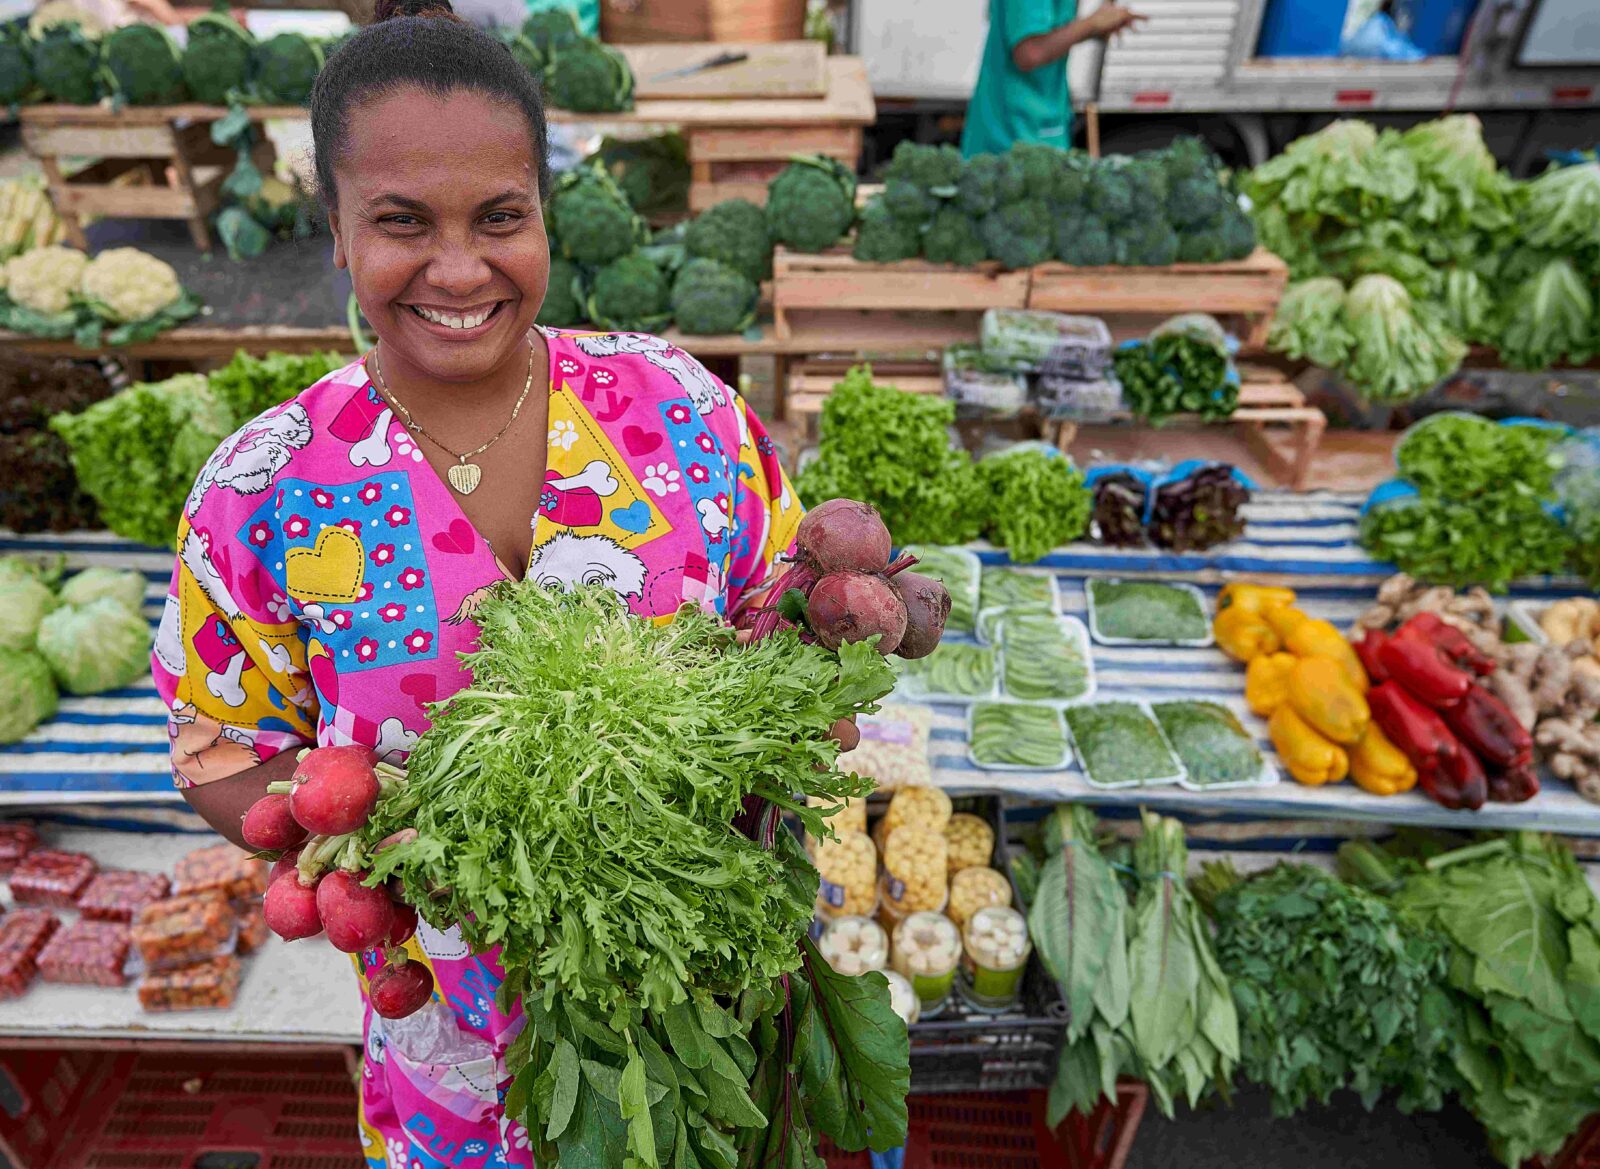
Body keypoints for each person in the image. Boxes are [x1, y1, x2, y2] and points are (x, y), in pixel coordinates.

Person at [152, 2, 810, 1163]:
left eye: (500, 217)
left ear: (543, 215)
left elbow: (783, 618)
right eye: (401, 223)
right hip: (445, 1042)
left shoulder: (683, 414)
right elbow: (221, 747)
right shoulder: (262, 486)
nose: (460, 268)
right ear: (339, 232)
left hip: (694, 1003)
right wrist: (389, 833)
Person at [960, 0, 1147, 157]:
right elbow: (1030, 53)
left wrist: (1095, 28)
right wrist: (1091, 24)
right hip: (1009, 138)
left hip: (1042, 131)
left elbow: (1049, 38)